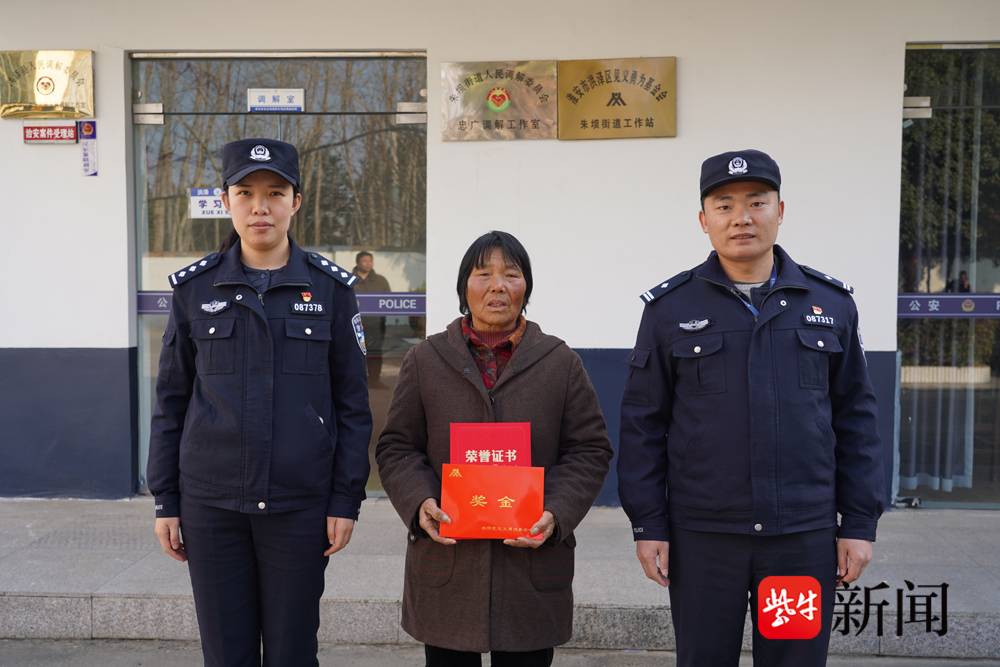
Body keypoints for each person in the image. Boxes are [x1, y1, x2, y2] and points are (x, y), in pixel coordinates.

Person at [618, 149, 885, 667]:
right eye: (724, 205)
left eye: (756, 202)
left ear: (779, 211)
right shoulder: (671, 310)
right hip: (704, 538)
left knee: (793, 661)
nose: (741, 217)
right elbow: (643, 424)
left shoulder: (830, 305)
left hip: (799, 538)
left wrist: (857, 522)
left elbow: (857, 418)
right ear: (704, 220)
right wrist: (649, 524)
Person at [147, 137, 372, 666]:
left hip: (299, 506)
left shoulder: (332, 291)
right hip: (212, 505)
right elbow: (171, 400)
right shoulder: (196, 290)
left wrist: (345, 499)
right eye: (245, 193)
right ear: (226, 201)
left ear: (296, 202)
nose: (260, 207)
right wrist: (166, 500)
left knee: (293, 652)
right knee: (226, 654)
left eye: (275, 193)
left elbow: (352, 406)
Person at [376, 231, 613, 667]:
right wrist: (419, 501)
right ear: (464, 287)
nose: (497, 286)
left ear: (527, 287)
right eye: (483, 274)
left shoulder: (560, 362)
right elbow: (397, 447)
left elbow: (589, 450)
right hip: (449, 562)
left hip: (529, 571)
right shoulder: (426, 360)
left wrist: (556, 512)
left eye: (511, 274)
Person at [352, 251, 392, 387]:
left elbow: (388, 301)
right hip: (355, 323)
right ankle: (356, 382)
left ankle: (375, 380)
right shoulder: (348, 279)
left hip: (377, 323)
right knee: (355, 351)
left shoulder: (381, 280)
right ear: (358, 263)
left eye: (370, 261)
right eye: (365, 261)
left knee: (375, 351)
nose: (368, 264)